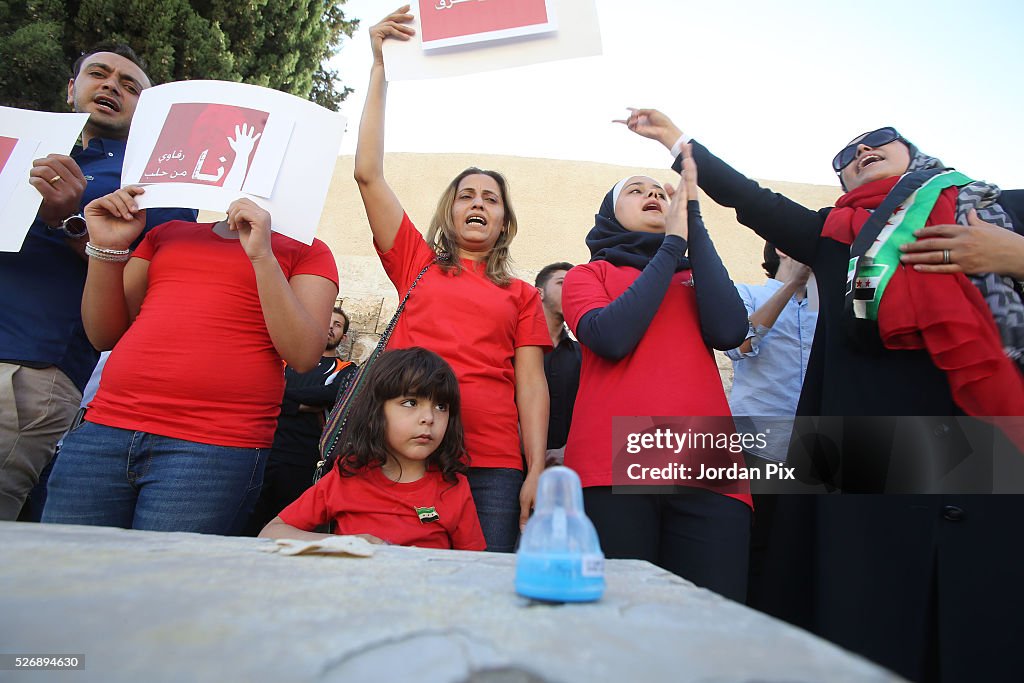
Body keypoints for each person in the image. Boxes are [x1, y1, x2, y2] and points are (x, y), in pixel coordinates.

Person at [617, 108, 1024, 682]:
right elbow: (749, 198)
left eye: (878, 142)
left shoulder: (999, 207)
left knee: (981, 621)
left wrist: (1014, 255)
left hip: (988, 448)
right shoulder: (833, 236)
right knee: (872, 622)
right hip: (869, 460)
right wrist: (677, 141)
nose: (860, 154)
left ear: (914, 152)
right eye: (845, 160)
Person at [353, 6, 550, 552]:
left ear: (504, 220)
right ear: (449, 213)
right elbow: (367, 173)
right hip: (403, 458)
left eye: (491, 198)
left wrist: (535, 468)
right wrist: (378, 70)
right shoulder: (415, 261)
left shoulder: (523, 294)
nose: (478, 204)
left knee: (483, 597)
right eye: (467, 195)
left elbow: (532, 385)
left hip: (492, 464)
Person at [41, 189, 338, 535]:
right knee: (66, 573)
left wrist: (262, 257)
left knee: (167, 581)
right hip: (105, 429)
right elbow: (103, 335)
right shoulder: (168, 234)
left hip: (212, 446)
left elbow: (303, 354)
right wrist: (107, 248)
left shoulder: (310, 250)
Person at [0, 44, 197, 520]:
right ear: (72, 88)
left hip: (23, 369)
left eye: (130, 86)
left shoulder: (157, 184)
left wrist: (67, 218)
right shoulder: (19, 146)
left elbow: (139, 290)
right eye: (99, 74)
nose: (112, 86)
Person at [561, 147, 751, 602]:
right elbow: (610, 336)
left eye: (659, 192)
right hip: (613, 460)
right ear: (609, 213)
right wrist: (671, 247)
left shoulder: (695, 278)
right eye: (635, 190)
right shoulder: (589, 275)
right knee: (619, 616)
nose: (651, 194)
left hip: (705, 461)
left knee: (710, 619)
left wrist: (693, 222)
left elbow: (730, 330)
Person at [260, 347, 486, 551]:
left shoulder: (453, 486)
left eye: (441, 406)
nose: (429, 418)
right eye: (410, 402)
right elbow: (271, 532)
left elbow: (474, 564)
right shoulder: (346, 475)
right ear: (374, 412)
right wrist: (341, 543)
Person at [243, 306, 358, 535]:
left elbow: (331, 395)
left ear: (343, 336)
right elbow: (264, 389)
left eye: (337, 325)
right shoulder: (286, 361)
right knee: (248, 522)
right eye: (327, 321)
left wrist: (283, 401)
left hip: (303, 458)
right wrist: (302, 405)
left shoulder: (346, 369)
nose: (330, 328)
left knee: (286, 526)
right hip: (264, 450)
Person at [726, 242, 817, 464]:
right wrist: (793, 284)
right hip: (754, 441)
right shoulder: (745, 292)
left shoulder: (822, 305)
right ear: (782, 248)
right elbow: (737, 346)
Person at [535, 262, 581, 467]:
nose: (571, 289)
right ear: (539, 294)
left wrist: (569, 450)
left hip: (568, 468)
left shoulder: (583, 354)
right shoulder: (514, 349)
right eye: (563, 283)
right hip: (515, 468)